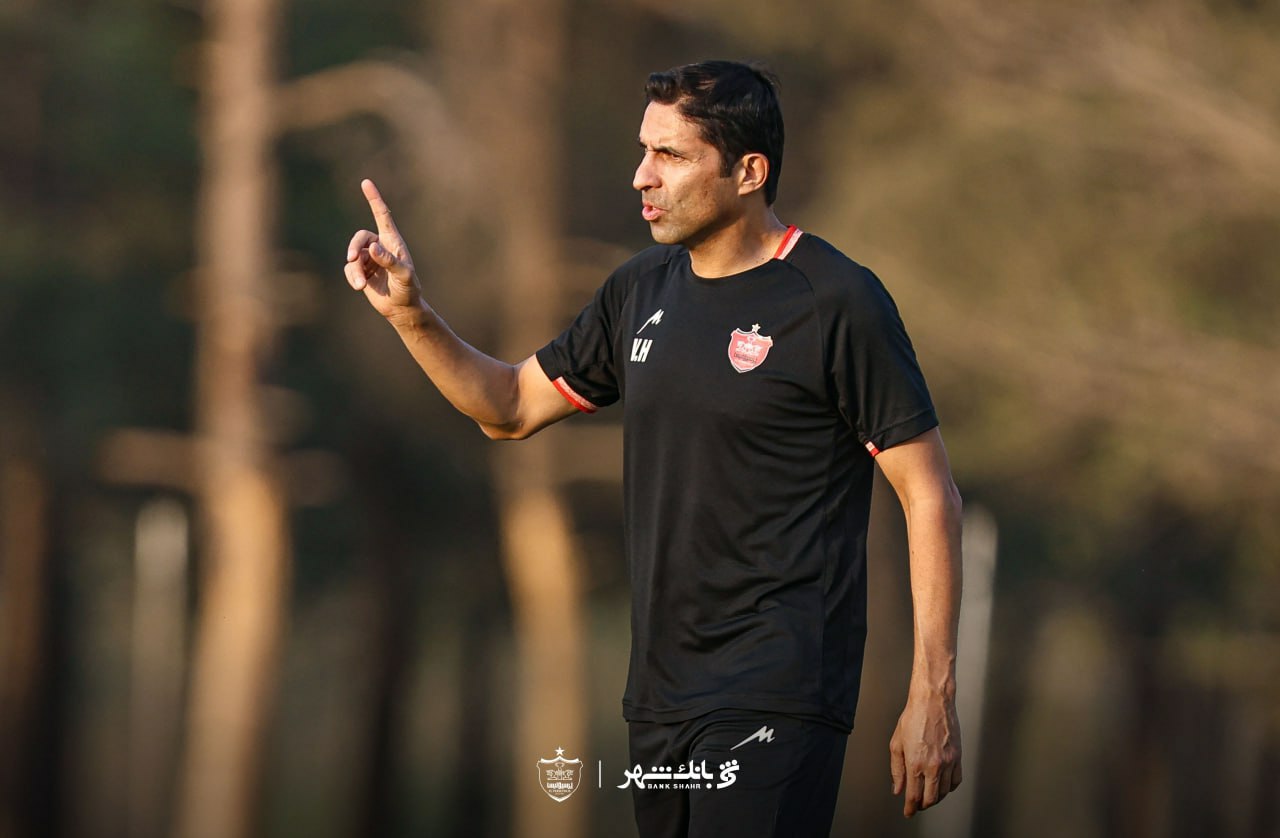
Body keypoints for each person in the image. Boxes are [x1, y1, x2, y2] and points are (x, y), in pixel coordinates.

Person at [344, 59, 963, 838]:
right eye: (644, 151)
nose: (643, 176)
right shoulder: (639, 289)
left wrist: (933, 692)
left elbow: (929, 493)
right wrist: (410, 315)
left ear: (749, 172)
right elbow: (508, 407)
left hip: (778, 688)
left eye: (670, 155)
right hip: (659, 695)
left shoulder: (837, 301)